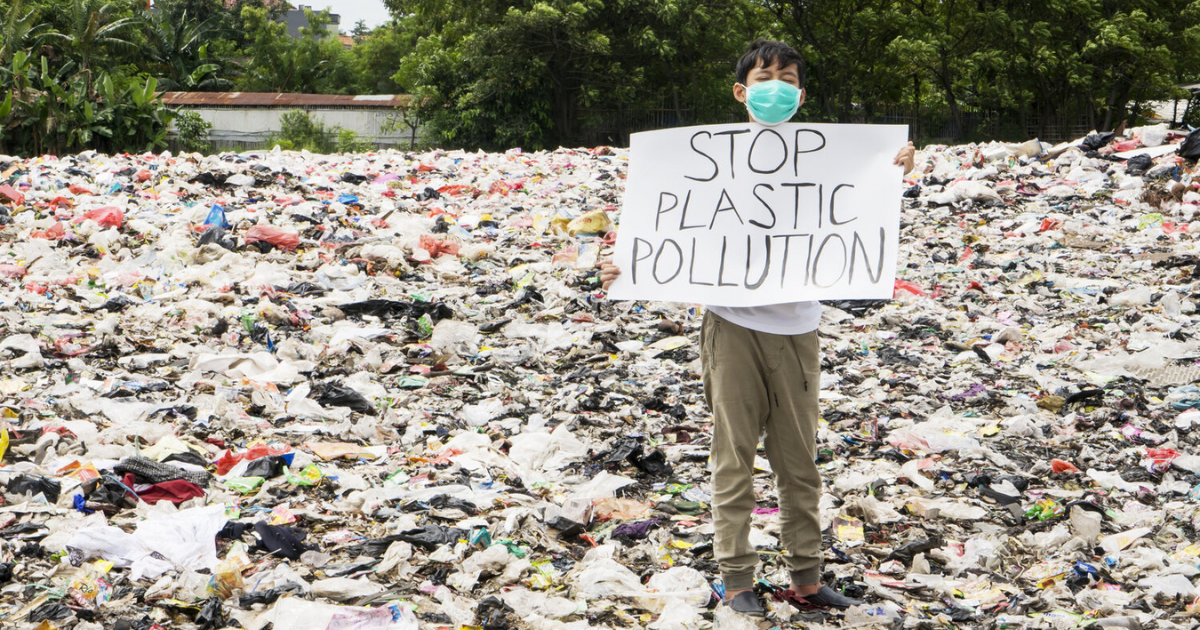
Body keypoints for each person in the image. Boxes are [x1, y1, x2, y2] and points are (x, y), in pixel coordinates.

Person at [598, 40, 916, 616]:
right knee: (733, 459)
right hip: (731, 328)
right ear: (742, 91)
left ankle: (806, 578)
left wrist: (892, 166)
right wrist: (627, 263)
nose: (777, 86)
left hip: (799, 329)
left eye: (788, 78)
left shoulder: (833, 157)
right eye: (765, 77)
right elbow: (662, 228)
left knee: (800, 463)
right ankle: (737, 579)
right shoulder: (698, 159)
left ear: (801, 93)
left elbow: (863, 205)